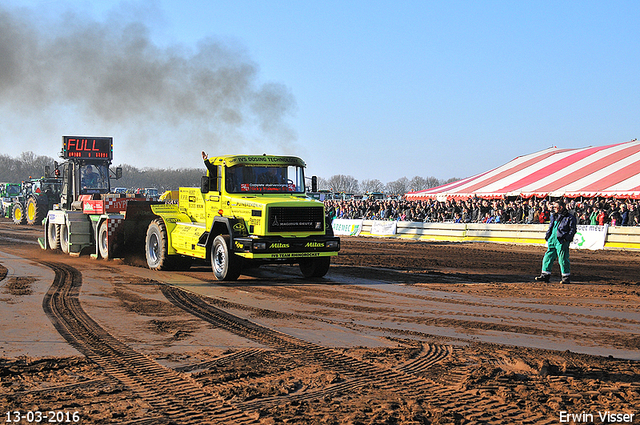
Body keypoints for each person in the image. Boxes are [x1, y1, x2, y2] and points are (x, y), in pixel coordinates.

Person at [535, 200, 578, 284]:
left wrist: (567, 238)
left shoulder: (570, 217)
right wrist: (548, 235)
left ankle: (566, 277)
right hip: (552, 239)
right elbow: (551, 227)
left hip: (562, 240)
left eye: (555, 207)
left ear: (561, 207)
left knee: (563, 258)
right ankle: (545, 275)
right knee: (548, 257)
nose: (553, 208)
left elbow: (573, 230)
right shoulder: (554, 216)